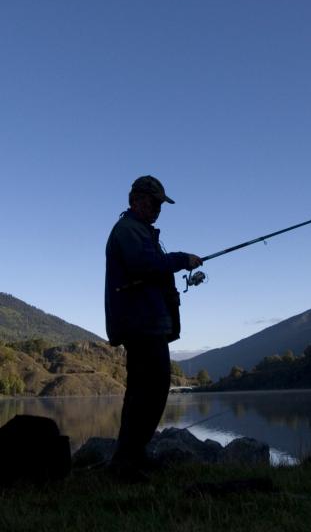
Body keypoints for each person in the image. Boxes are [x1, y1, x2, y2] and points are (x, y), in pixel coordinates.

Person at [105, 175, 202, 481]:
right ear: (136, 200)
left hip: (147, 322)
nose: (158, 208)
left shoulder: (141, 231)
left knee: (145, 390)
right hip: (140, 324)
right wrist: (182, 259)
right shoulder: (127, 230)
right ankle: (127, 462)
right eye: (154, 202)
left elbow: (152, 267)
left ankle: (132, 457)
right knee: (150, 389)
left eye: (160, 203)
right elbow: (144, 265)